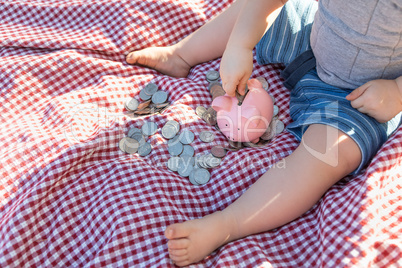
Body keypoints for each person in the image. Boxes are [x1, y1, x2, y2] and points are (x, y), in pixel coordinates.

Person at [126, 0, 402, 266]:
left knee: (332, 154)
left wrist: (397, 93)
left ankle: (229, 222)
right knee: (250, 11)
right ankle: (181, 54)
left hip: (363, 96)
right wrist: (240, 45)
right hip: (312, 39)